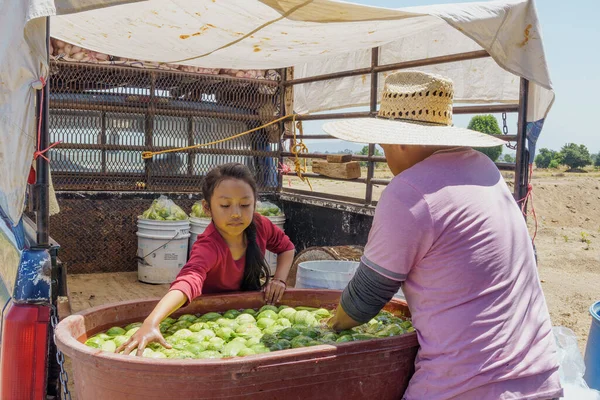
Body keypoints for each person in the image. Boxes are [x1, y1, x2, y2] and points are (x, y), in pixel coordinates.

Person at [323, 71, 563, 400]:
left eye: (384, 148)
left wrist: (329, 324)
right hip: (543, 378)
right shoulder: (484, 168)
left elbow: (364, 300)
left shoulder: (408, 190)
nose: (387, 158)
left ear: (400, 141)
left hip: (467, 387)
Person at [118, 163, 295, 356]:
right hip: (210, 317)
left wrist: (279, 279)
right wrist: (151, 322)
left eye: (245, 205)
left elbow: (286, 248)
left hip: (249, 315)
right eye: (225, 205)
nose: (236, 213)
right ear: (207, 208)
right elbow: (188, 280)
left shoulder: (261, 225)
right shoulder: (208, 246)